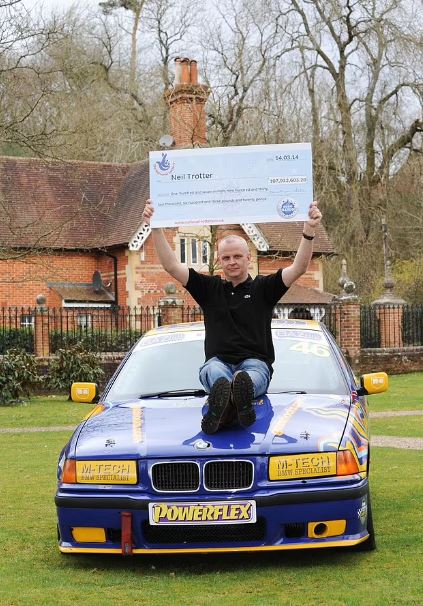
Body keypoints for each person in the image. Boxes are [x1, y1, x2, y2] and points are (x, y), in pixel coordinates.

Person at [142, 199, 322, 434]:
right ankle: (229, 401)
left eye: (237, 256)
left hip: (255, 364)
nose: (232, 262)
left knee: (247, 377)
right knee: (214, 372)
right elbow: (172, 266)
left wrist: (309, 231)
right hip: (218, 362)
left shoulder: (264, 288)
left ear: (248, 258)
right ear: (219, 261)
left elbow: (298, 268)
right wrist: (155, 227)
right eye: (226, 258)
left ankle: (233, 401)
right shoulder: (209, 288)